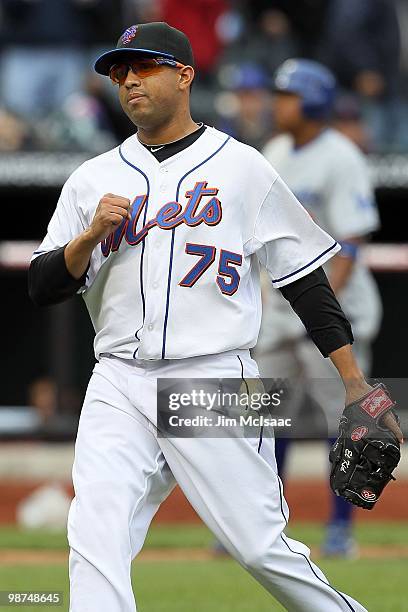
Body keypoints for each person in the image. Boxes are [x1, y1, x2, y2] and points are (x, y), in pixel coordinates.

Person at [29, 22, 389, 612]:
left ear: (185, 74)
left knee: (257, 546)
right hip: (118, 377)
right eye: (120, 72)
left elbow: (305, 282)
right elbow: (44, 287)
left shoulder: (243, 167)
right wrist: (90, 234)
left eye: (143, 66)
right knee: (95, 536)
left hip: (212, 377)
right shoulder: (90, 180)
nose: (129, 80)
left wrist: (354, 383)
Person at [255, 59, 382, 556]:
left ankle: (340, 528)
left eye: (286, 96)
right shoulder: (275, 150)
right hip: (280, 313)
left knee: (347, 421)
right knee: (267, 421)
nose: (277, 104)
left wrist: (324, 316)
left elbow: (350, 244)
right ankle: (262, 528)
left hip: (335, 313)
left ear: (311, 102)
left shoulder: (341, 156)